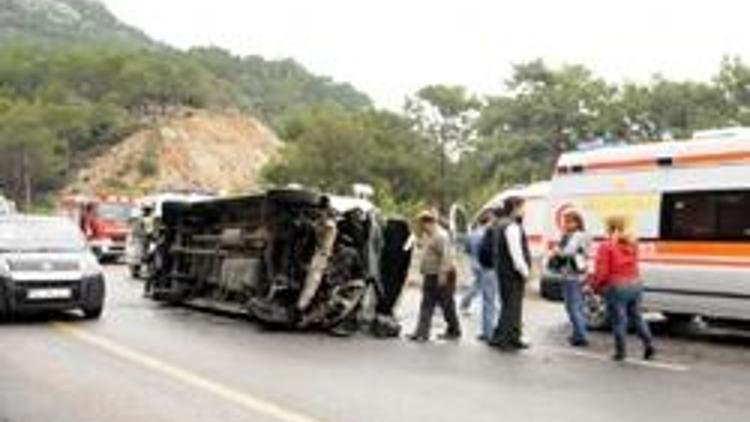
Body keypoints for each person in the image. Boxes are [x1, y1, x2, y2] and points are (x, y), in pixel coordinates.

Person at [590, 215, 655, 361]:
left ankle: (621, 352)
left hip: (617, 285)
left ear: (609, 227)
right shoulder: (633, 243)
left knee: (619, 319)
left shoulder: (606, 246)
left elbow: (602, 271)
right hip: (635, 283)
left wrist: (595, 285)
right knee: (637, 317)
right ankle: (649, 344)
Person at [408, 210, 462, 342]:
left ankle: (454, 330)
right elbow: (424, 249)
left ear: (429, 222)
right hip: (430, 274)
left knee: (447, 304)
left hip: (443, 274)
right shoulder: (429, 235)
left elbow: (447, 257)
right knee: (426, 304)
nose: (420, 227)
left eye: (422, 224)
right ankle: (421, 332)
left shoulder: (441, 236)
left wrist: (442, 274)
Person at [489, 197, 531, 351]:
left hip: (503, 271)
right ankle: (506, 341)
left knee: (508, 306)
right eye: (522, 207)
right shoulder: (512, 227)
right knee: (512, 308)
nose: (524, 211)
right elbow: (516, 255)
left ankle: (502, 337)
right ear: (514, 208)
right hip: (512, 273)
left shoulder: (500, 224)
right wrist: (525, 272)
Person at [551, 211, 591, 347]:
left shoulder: (578, 235)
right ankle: (578, 333)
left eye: (569, 221)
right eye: (565, 221)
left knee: (572, 306)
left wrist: (557, 251)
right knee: (577, 306)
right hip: (575, 274)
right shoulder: (575, 235)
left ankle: (581, 335)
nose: (566, 224)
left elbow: (569, 251)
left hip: (572, 275)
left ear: (577, 222)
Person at [460, 213, 499, 341]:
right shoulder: (488, 233)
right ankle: (489, 331)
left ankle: (464, 303)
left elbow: (466, 250)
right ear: (487, 221)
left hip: (475, 264)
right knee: (490, 299)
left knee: (477, 286)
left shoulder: (472, 234)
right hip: (487, 267)